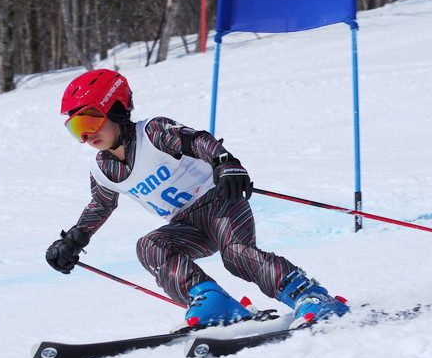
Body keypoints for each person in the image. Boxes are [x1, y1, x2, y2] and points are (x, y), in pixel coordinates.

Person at [45, 69, 349, 329]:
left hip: (220, 201)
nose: (86, 136)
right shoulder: (102, 168)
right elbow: (101, 205)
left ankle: (309, 294)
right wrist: (73, 241)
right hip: (186, 223)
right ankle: (214, 303)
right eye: (76, 129)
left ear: (116, 110)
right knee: (150, 246)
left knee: (237, 255)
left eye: (90, 122)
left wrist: (225, 162)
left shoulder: (152, 132)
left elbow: (197, 141)